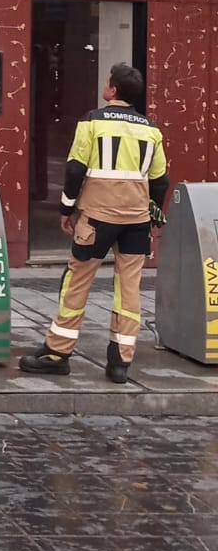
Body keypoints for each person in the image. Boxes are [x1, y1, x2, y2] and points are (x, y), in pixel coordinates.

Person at [20, 63, 168, 383]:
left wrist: (66, 209)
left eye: (107, 82)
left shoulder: (92, 121)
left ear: (112, 90)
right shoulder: (151, 130)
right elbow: (160, 179)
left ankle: (57, 353)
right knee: (129, 290)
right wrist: (155, 211)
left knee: (77, 282)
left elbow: (75, 169)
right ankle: (119, 363)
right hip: (137, 221)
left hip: (97, 219)